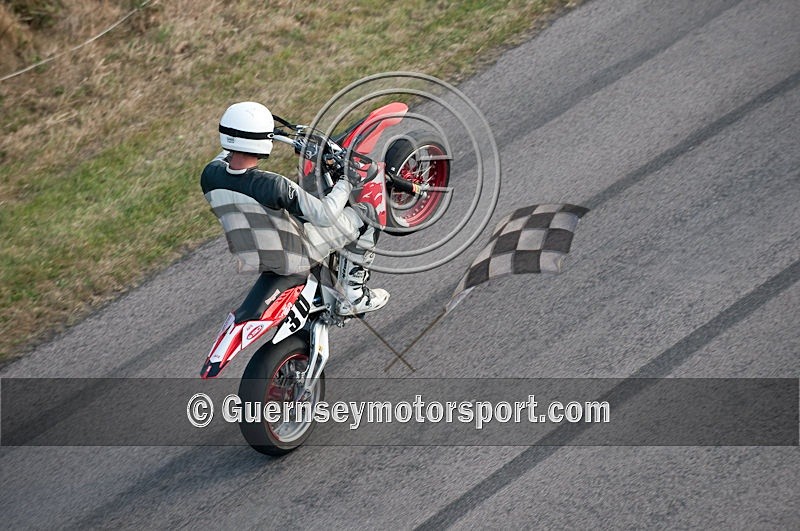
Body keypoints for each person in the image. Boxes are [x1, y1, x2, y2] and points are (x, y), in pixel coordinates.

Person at [200, 101, 389, 315]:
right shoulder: (274, 185)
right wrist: (346, 181)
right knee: (366, 215)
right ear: (262, 141)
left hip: (250, 251)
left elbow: (232, 148)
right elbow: (325, 216)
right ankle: (355, 295)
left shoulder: (209, 174)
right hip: (293, 255)